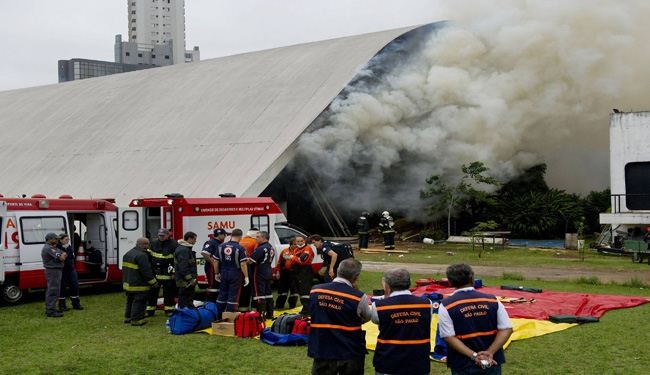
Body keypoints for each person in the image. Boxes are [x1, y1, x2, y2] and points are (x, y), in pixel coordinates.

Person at [438, 264, 513, 374]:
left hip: (463, 363)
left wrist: (474, 356)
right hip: (491, 362)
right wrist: (490, 352)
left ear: (450, 282)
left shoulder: (446, 305)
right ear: (472, 278)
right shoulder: (493, 300)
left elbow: (449, 337)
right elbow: (507, 329)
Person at [308, 258, 371, 375]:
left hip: (322, 346)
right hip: (349, 348)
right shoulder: (358, 296)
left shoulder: (315, 290)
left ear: (338, 271)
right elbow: (367, 317)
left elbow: (313, 311)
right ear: (356, 276)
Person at [371, 268, 432, 375]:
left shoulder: (379, 306)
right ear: (409, 283)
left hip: (388, 362)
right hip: (418, 362)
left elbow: (376, 321)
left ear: (387, 285)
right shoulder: (427, 303)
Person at [214, 228, 249, 318]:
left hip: (224, 272)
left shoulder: (221, 246)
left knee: (222, 294)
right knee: (233, 295)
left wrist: (216, 273)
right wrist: (246, 277)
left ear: (231, 235)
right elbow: (243, 264)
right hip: (235, 274)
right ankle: (229, 317)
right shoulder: (240, 248)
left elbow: (215, 261)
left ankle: (218, 316)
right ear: (240, 237)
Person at [122, 238, 158, 326]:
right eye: (145, 244)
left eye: (148, 244)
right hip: (139, 284)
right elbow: (146, 271)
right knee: (140, 301)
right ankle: (137, 320)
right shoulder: (142, 256)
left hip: (128, 283)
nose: (147, 246)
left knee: (130, 300)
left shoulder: (128, 253)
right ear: (140, 244)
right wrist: (153, 282)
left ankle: (128, 317)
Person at [147, 228, 178, 316]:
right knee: (152, 293)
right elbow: (149, 257)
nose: (161, 237)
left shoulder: (174, 244)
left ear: (168, 235)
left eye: (163, 236)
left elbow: (174, 260)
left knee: (168, 293)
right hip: (155, 273)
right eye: (159, 235)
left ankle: (169, 310)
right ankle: (150, 310)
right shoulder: (153, 243)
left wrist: (173, 272)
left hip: (167, 273)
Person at [249, 231, 275, 319]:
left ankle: (261, 315)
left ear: (264, 238)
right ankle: (270, 313)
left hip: (259, 272)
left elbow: (250, 261)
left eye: (258, 237)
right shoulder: (270, 247)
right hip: (268, 271)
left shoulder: (260, 248)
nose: (256, 239)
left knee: (259, 294)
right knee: (268, 293)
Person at [42, 232, 68, 317]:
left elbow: (64, 253)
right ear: (50, 240)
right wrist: (62, 256)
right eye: (55, 239)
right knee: (52, 290)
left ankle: (52, 308)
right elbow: (62, 257)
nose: (57, 240)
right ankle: (50, 311)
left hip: (56, 271)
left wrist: (62, 255)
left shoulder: (53, 247)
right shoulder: (49, 248)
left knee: (55, 291)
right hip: (52, 271)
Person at [57, 233, 83, 311]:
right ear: (61, 240)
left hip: (71, 270)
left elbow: (72, 258)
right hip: (62, 270)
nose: (67, 241)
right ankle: (62, 305)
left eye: (68, 239)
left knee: (74, 286)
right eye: (66, 239)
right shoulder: (57, 248)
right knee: (62, 288)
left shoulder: (69, 247)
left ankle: (76, 304)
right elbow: (59, 259)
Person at [201, 228, 227, 303]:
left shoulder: (219, 243)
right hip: (211, 269)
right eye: (224, 235)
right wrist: (213, 263)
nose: (225, 236)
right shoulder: (211, 242)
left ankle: (216, 303)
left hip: (217, 268)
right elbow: (204, 253)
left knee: (218, 286)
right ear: (219, 235)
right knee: (213, 286)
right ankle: (211, 303)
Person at [174, 231, 198, 309]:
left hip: (186, 280)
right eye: (194, 239)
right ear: (189, 238)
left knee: (188, 297)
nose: (195, 241)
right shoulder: (183, 250)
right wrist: (190, 279)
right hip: (184, 280)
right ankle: (184, 313)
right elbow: (183, 267)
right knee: (184, 297)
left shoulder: (185, 249)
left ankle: (189, 312)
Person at [275, 238, 299, 309]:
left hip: (294, 273)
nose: (296, 245)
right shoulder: (284, 251)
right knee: (282, 291)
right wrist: (277, 272)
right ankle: (279, 306)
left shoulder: (299, 251)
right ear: (290, 244)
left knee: (294, 291)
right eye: (294, 244)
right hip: (285, 273)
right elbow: (279, 262)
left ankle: (292, 306)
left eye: (296, 244)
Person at [293, 235, 315, 313]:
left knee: (305, 289)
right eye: (298, 241)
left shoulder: (307, 249)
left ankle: (308, 308)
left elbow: (302, 260)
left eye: (301, 241)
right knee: (300, 290)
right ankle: (305, 307)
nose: (300, 243)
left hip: (306, 271)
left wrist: (292, 257)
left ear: (304, 241)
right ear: (295, 242)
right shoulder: (296, 249)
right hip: (298, 271)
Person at [238, 228, 258, 311]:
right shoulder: (255, 242)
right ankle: (254, 308)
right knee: (253, 287)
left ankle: (243, 307)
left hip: (239, 268)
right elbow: (256, 255)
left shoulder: (240, 241)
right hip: (250, 267)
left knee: (243, 288)